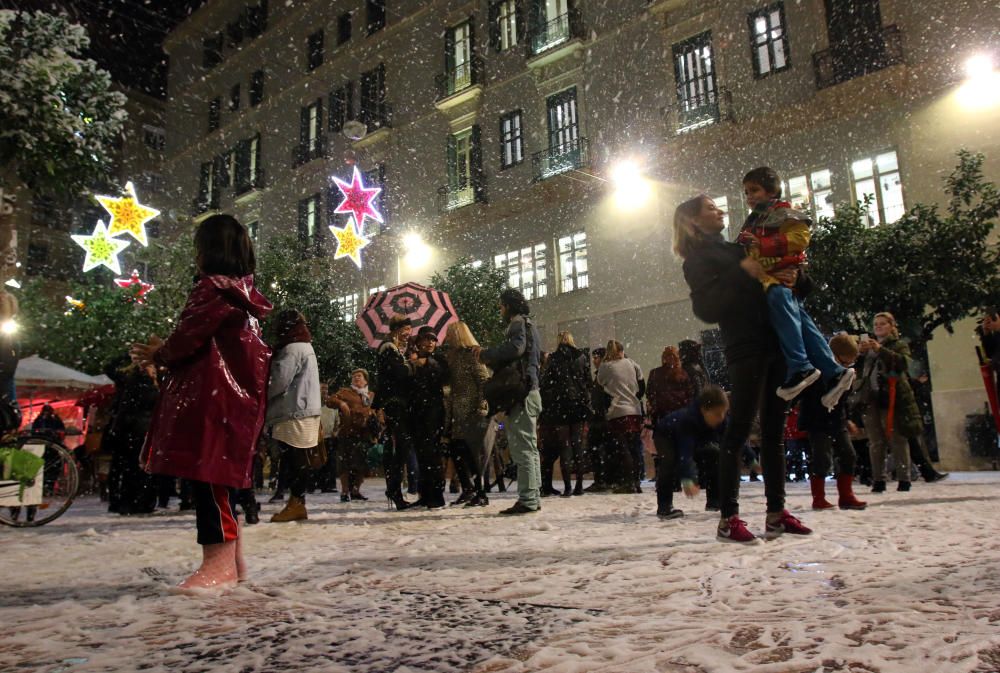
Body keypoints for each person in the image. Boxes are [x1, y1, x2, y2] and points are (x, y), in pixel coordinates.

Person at [131, 214, 272, 589]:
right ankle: (231, 561)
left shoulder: (212, 291)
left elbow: (186, 338)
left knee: (207, 478)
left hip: (210, 398)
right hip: (229, 399)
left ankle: (219, 562)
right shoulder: (242, 294)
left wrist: (159, 353)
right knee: (217, 480)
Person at [674, 194, 812, 542]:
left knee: (773, 432)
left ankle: (777, 513)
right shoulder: (698, 259)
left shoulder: (739, 249)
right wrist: (743, 274)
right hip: (745, 346)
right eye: (710, 208)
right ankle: (728, 517)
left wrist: (799, 278)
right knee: (736, 434)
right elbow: (708, 308)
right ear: (692, 221)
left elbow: (778, 284)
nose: (720, 210)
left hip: (775, 343)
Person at [739, 167, 855, 406]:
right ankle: (833, 371)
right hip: (770, 277)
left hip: (777, 279)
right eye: (746, 192)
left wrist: (763, 245)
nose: (749, 196)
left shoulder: (783, 213)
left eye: (754, 190)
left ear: (771, 191)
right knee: (801, 322)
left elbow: (800, 238)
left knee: (786, 311)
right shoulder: (752, 222)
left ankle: (801, 366)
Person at [474, 288, 543, 515]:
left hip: (521, 395)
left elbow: (516, 348)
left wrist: (487, 354)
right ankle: (533, 496)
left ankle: (527, 500)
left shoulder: (517, 323)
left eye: (502, 305)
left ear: (510, 306)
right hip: (532, 392)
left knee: (522, 449)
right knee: (530, 449)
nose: (500, 309)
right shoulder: (530, 324)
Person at [798, 334, 867, 510]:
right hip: (818, 421)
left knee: (848, 455)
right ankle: (818, 498)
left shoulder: (846, 374)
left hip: (837, 421)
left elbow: (842, 401)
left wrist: (848, 419)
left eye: (849, 364)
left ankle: (846, 495)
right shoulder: (818, 370)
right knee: (821, 459)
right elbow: (811, 398)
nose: (846, 367)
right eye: (843, 362)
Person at [267, 309, 322, 523]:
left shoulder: (292, 348)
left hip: (294, 410)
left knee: (294, 458)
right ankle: (297, 502)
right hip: (303, 409)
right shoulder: (304, 346)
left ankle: (296, 503)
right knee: (297, 458)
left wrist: (262, 392)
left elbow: (279, 381)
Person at [856, 312, 920, 493]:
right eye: (876, 324)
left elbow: (903, 363)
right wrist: (859, 354)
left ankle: (904, 479)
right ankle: (878, 480)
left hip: (892, 396)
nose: (878, 327)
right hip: (870, 398)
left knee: (897, 438)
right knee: (875, 441)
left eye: (882, 324)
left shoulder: (899, 345)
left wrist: (880, 350)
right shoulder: (868, 348)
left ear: (892, 326)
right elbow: (860, 370)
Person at [653, 385, 728, 519]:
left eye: (724, 413)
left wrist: (751, 459)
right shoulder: (689, 420)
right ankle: (664, 507)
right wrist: (688, 479)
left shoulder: (720, 421)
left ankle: (714, 501)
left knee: (714, 454)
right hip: (665, 435)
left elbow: (734, 440)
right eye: (717, 414)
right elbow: (685, 452)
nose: (721, 417)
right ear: (704, 410)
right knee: (669, 462)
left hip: (691, 439)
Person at [444, 321, 491, 507]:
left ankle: (480, 492)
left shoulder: (473, 354)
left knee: (471, 452)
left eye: (449, 334)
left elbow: (483, 380)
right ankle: (468, 488)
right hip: (457, 412)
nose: (446, 338)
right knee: (456, 450)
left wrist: (481, 405)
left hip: (472, 411)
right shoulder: (452, 357)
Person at [539, 331, 592, 497]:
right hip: (578, 406)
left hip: (560, 407)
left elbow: (546, 383)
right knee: (578, 446)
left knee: (565, 447)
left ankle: (568, 486)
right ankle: (580, 485)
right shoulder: (582, 357)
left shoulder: (554, 359)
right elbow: (587, 382)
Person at [105, 358, 159, 516]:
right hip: (139, 431)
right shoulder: (142, 384)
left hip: (132, 431)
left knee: (130, 468)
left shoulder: (133, 383)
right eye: (151, 367)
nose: (154, 369)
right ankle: (137, 502)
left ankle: (128, 502)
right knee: (138, 468)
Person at [374, 315, 415, 510]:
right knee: (398, 449)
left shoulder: (395, 349)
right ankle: (394, 490)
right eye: (406, 329)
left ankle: (394, 489)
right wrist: (411, 364)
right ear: (397, 329)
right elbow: (398, 374)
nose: (409, 333)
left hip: (398, 405)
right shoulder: (388, 348)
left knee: (400, 450)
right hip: (394, 405)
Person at [407, 326, 449, 509]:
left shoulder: (438, 360)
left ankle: (436, 496)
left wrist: (425, 363)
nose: (431, 342)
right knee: (422, 455)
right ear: (418, 342)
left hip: (434, 412)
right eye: (427, 339)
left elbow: (443, 377)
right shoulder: (411, 360)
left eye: (433, 339)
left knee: (433, 455)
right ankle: (424, 494)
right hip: (417, 412)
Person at [596, 340, 645, 494]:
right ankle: (637, 481)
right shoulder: (632, 363)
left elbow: (600, 384)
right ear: (622, 351)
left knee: (623, 449)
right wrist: (634, 397)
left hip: (617, 411)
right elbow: (642, 386)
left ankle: (628, 482)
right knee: (635, 448)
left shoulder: (605, 367)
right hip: (635, 411)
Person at [329, 369, 375, 502]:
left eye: (359, 376)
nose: (356, 378)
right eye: (354, 376)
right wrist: (341, 403)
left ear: (366, 380)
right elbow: (330, 400)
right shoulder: (345, 392)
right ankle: (344, 492)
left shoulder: (371, 395)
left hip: (364, 434)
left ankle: (355, 491)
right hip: (346, 433)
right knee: (344, 464)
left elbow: (377, 410)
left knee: (361, 463)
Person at [647, 346, 696, 424]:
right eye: (668, 355)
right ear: (664, 357)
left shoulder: (682, 373)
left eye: (672, 355)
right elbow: (650, 392)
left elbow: (689, 393)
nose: (671, 358)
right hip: (666, 413)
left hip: (675, 413)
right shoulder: (655, 373)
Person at [586, 347, 610, 492]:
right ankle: (600, 479)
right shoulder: (599, 375)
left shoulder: (604, 375)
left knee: (599, 449)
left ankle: (602, 479)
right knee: (595, 449)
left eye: (596, 358)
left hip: (603, 417)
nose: (594, 361)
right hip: (598, 416)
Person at [316, 381, 340, 494]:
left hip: (329, 437)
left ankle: (330, 485)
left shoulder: (332, 404)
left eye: (326, 388)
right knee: (317, 462)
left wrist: (336, 431)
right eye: (322, 388)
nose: (324, 391)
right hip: (316, 438)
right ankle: (316, 484)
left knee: (331, 462)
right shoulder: (313, 403)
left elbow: (337, 421)